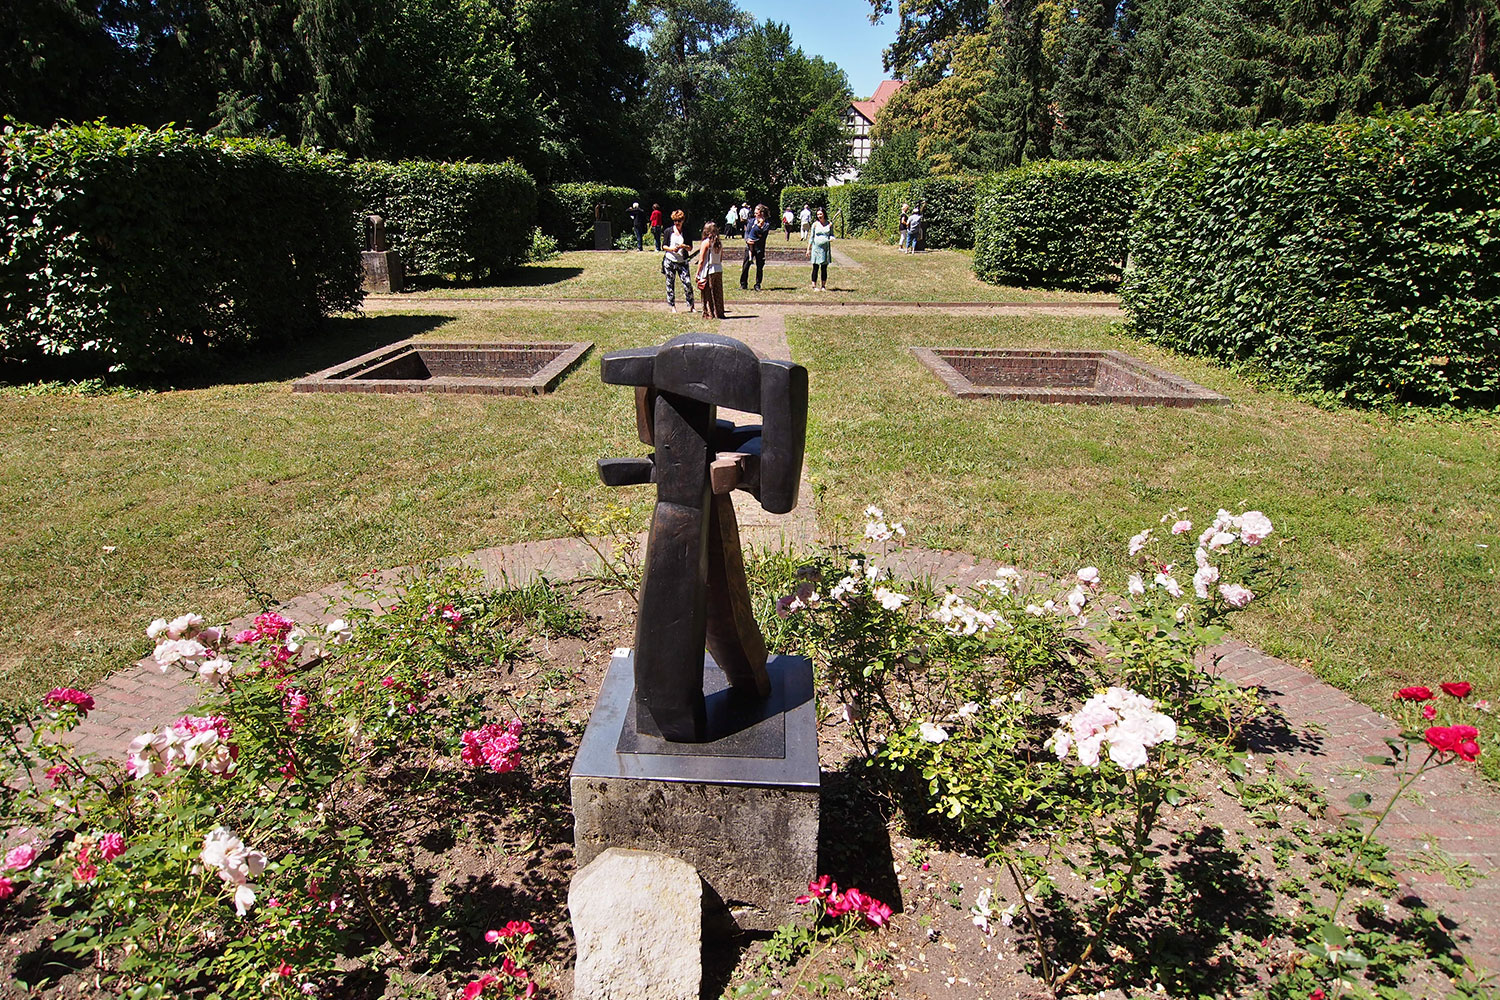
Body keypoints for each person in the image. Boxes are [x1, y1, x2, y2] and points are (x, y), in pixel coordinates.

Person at [662, 209, 695, 313]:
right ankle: (672, 306)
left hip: (682, 261)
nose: (677, 223)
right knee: (670, 283)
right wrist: (672, 249)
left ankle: (691, 305)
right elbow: (664, 246)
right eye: (675, 221)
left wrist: (684, 246)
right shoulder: (668, 231)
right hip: (670, 260)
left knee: (687, 283)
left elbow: (690, 248)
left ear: (683, 220)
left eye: (679, 221)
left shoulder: (686, 231)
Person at [696, 222, 726, 319]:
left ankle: (709, 313)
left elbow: (701, 260)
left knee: (707, 293)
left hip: (709, 270)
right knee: (718, 292)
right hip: (718, 269)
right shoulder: (719, 243)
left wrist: (698, 273)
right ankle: (719, 312)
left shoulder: (706, 242)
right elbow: (720, 258)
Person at [740, 203, 772, 292]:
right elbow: (747, 232)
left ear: (761, 213)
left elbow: (762, 236)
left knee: (759, 267)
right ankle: (743, 284)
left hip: (759, 248)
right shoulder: (751, 221)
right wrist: (747, 240)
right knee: (745, 266)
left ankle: (757, 284)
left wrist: (754, 241)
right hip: (749, 246)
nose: (755, 214)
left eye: (756, 213)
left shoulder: (766, 224)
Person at [808, 206, 834, 290]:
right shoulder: (815, 224)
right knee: (815, 267)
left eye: (821, 214)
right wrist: (808, 249)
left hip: (825, 248)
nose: (819, 216)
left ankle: (823, 286)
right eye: (818, 214)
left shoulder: (829, 224)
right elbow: (811, 237)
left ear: (824, 214)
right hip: (816, 248)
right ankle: (814, 286)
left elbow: (832, 235)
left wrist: (831, 238)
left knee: (824, 268)